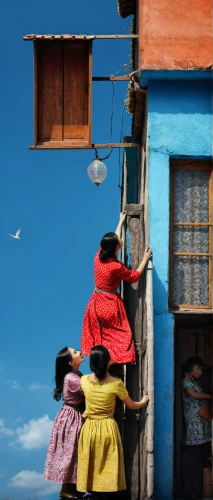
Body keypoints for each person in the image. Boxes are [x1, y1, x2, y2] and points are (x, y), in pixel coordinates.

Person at [77, 345, 149, 497]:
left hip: (89, 428)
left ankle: (93, 494)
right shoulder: (116, 383)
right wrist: (143, 402)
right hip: (108, 427)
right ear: (107, 361)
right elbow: (131, 405)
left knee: (92, 464)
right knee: (108, 463)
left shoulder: (84, 381)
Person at [81, 211, 152, 364]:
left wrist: (120, 222)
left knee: (102, 340)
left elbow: (114, 238)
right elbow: (134, 277)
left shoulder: (98, 256)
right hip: (109, 303)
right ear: (115, 248)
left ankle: (101, 365)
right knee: (121, 337)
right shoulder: (115, 267)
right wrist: (145, 260)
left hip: (95, 303)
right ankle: (114, 363)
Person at [44, 347, 85, 499]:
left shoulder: (76, 374)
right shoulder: (71, 378)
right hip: (71, 417)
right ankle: (66, 490)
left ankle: (73, 488)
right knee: (70, 453)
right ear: (70, 362)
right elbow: (89, 389)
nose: (80, 352)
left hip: (74, 415)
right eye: (75, 352)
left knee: (75, 454)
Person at [182, 356, 212, 499]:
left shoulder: (195, 382)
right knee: (192, 458)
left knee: (200, 458)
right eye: (198, 368)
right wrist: (209, 396)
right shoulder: (186, 382)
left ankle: (199, 489)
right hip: (194, 427)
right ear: (191, 369)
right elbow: (192, 394)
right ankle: (189, 490)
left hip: (201, 426)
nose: (200, 371)